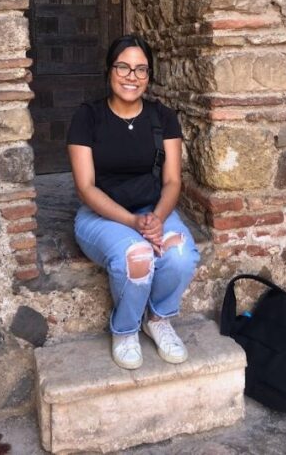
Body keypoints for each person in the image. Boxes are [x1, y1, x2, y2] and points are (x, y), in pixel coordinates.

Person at [67, 34, 200, 370]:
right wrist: (133, 223)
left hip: (152, 210)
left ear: (149, 76)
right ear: (110, 71)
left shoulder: (162, 117)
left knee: (181, 253)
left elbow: (172, 181)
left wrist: (155, 218)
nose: (132, 76)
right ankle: (125, 329)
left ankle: (157, 319)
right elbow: (86, 188)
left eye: (141, 70)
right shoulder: (88, 117)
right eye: (123, 67)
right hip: (103, 215)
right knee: (137, 256)